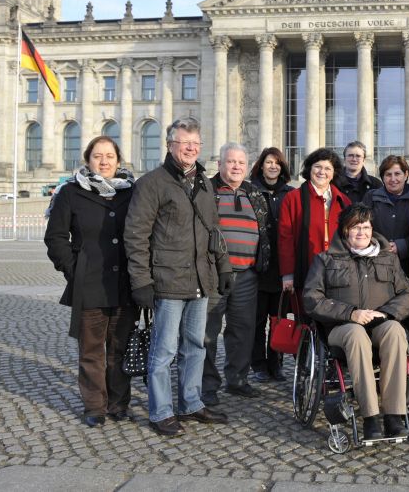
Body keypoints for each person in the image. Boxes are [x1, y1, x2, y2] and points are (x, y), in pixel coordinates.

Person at [124, 117, 232, 437]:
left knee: (195, 346)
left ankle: (191, 402)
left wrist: (223, 267)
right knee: (164, 350)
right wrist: (141, 281)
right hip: (168, 280)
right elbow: (136, 236)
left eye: (196, 143)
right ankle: (160, 411)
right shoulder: (152, 183)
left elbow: (214, 230)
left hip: (201, 278)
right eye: (184, 143)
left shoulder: (204, 182)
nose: (190, 148)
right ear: (170, 146)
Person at [44, 136, 138, 427]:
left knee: (120, 347)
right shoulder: (70, 192)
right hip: (89, 283)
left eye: (110, 156)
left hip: (125, 283)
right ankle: (95, 406)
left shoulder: (133, 192)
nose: (104, 161)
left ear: (119, 161)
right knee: (91, 350)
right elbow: (56, 237)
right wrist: (74, 269)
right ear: (88, 160)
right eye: (98, 156)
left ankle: (119, 402)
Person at [303, 204, 409, 439]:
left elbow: (407, 293)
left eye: (365, 227)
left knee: (395, 331)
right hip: (341, 329)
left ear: (372, 229)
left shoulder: (387, 258)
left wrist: (385, 313)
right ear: (345, 230)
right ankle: (370, 417)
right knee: (356, 335)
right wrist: (351, 313)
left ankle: (394, 415)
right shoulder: (325, 259)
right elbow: (311, 299)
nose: (361, 232)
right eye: (355, 227)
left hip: (379, 325)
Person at [202, 142, 271, 405]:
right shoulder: (206, 190)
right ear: (219, 164)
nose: (236, 167)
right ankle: (207, 385)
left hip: (247, 275)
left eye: (241, 163)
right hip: (213, 274)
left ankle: (238, 379)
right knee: (207, 332)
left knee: (242, 330)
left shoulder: (254, 193)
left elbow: (265, 231)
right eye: (231, 162)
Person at [362, 155, 409, 348]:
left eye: (397, 173)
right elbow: (362, 226)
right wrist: (380, 244)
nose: (393, 178)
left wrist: (401, 245)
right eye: (388, 174)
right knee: (379, 313)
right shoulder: (371, 197)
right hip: (376, 266)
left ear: (406, 174)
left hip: (407, 267)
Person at [278, 147, 350, 298]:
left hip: (338, 273)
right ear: (310, 169)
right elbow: (285, 238)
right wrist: (287, 274)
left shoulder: (344, 201)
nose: (321, 172)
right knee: (305, 318)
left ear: (334, 173)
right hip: (306, 269)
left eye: (327, 168)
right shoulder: (293, 198)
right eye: (317, 166)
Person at [249, 147, 294, 383]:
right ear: (261, 165)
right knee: (256, 320)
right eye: (269, 162)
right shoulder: (250, 191)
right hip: (258, 267)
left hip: (282, 268)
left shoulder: (291, 193)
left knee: (278, 319)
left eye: (277, 163)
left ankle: (276, 364)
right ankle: (258, 364)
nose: (273, 166)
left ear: (282, 167)